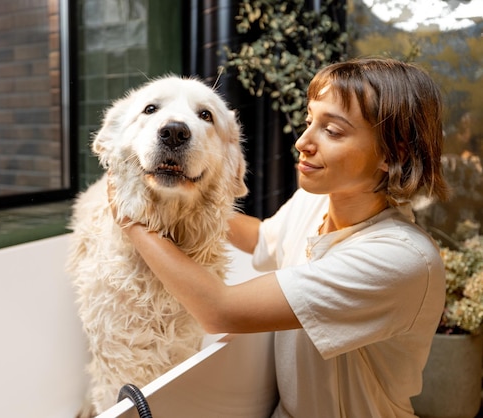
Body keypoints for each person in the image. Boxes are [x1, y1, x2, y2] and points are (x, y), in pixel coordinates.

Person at [108, 57, 451, 417]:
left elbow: (219, 311)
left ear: (392, 153)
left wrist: (131, 220)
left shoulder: (402, 260)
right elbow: (260, 238)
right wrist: (186, 194)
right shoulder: (316, 202)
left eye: (331, 131)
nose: (303, 141)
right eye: (309, 122)